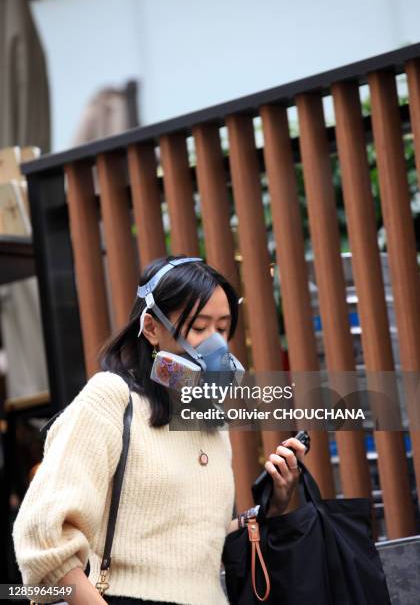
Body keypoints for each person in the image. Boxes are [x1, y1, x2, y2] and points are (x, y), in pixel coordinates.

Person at [12, 255, 307, 605]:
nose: (216, 345)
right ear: (151, 328)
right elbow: (43, 532)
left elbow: (192, 542)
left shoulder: (211, 419)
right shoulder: (111, 397)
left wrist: (271, 505)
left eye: (224, 328)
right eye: (199, 328)